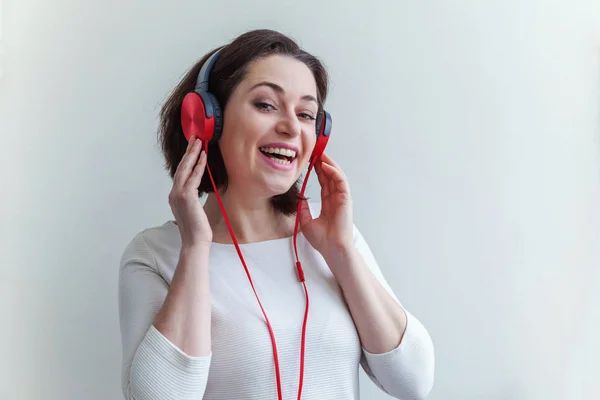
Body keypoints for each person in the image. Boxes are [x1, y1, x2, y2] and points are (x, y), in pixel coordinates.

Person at [118, 29, 435, 400]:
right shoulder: (156, 254)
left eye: (305, 114)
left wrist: (341, 251)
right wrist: (195, 247)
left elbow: (412, 382)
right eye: (266, 105)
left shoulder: (330, 234)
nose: (290, 127)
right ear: (207, 120)